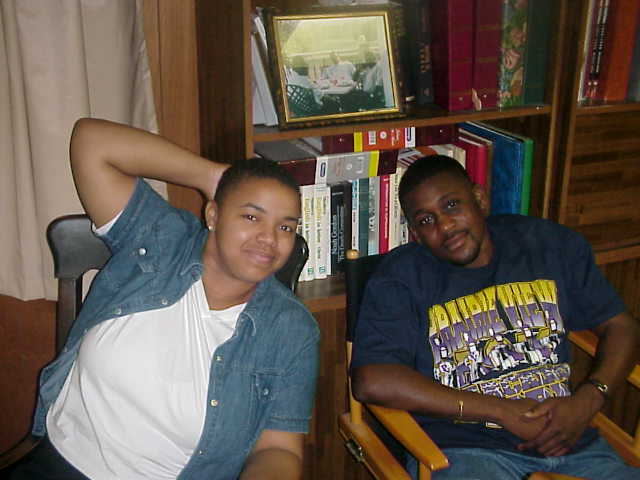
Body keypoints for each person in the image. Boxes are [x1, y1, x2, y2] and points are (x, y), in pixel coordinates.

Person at [12, 118, 320, 480]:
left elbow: (279, 448)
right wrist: (213, 176)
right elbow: (91, 141)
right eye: (251, 216)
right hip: (58, 464)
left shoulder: (291, 330)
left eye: (285, 227)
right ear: (213, 214)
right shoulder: (162, 241)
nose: (269, 238)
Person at [350, 155, 640, 479]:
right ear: (415, 234)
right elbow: (372, 379)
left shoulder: (548, 245)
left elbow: (622, 326)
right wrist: (500, 411)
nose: (445, 227)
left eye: (451, 205)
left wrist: (589, 399)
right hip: (467, 453)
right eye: (426, 220)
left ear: (479, 199)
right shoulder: (402, 277)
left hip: (573, 444)